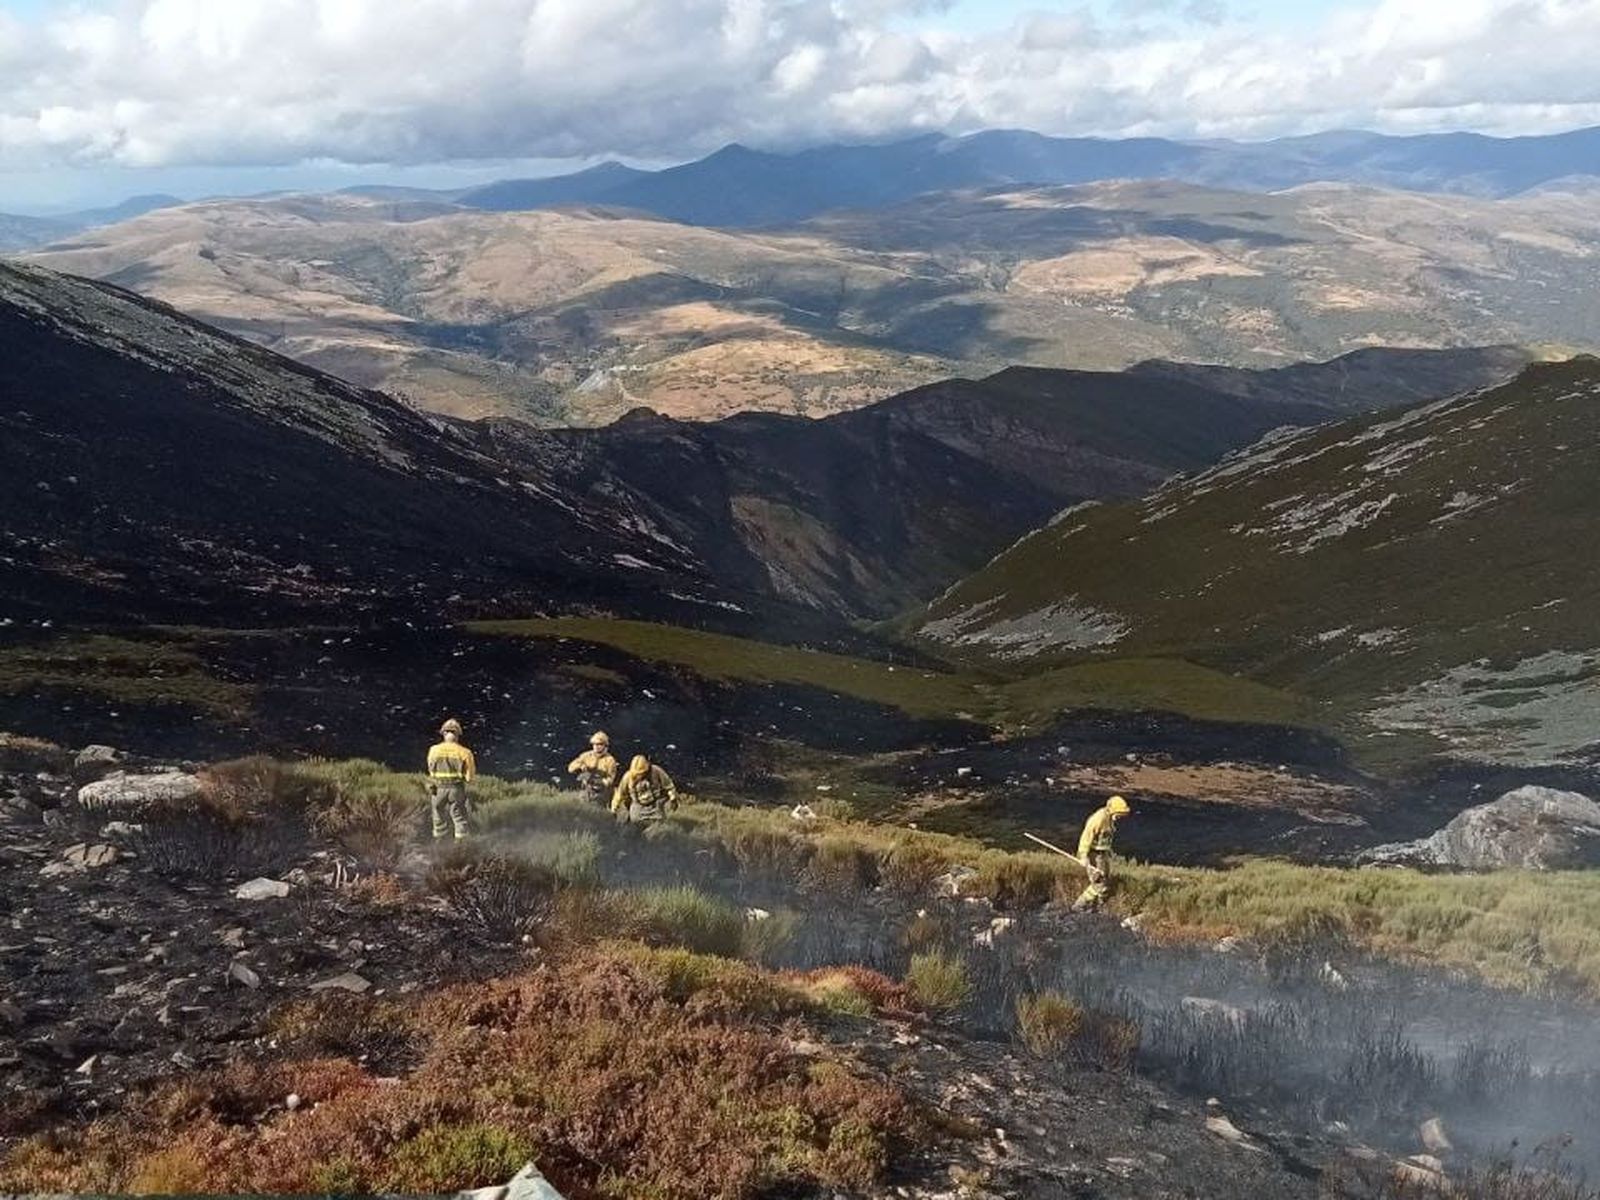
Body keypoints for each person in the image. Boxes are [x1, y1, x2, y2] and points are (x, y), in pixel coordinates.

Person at [1072, 794, 1131, 911]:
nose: (1120, 817)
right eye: (1119, 814)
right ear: (1112, 810)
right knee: (1099, 884)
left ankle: (1097, 906)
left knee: (1105, 879)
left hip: (1102, 854)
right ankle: (1079, 906)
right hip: (1094, 854)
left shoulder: (1110, 819)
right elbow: (1086, 837)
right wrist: (1083, 856)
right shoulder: (1098, 819)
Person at [426, 718, 477, 840]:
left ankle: (439, 842)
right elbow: (470, 777)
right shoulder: (465, 753)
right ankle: (460, 845)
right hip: (456, 788)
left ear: (444, 733)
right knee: (458, 816)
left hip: (438, 789)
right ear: (458, 735)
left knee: (438, 815)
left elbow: (430, 770)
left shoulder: (433, 750)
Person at [611, 754, 678, 824]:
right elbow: (619, 794)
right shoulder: (627, 777)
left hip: (656, 803)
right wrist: (614, 809)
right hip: (638, 804)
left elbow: (669, 786)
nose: (639, 776)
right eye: (637, 774)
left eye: (642, 773)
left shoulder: (656, 771)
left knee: (659, 821)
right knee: (635, 821)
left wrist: (673, 798)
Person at [567, 731, 620, 807]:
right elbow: (570, 768)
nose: (596, 746)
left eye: (599, 744)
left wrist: (598, 781)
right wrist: (580, 766)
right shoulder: (586, 756)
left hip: (601, 793)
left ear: (605, 745)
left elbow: (610, 779)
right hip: (586, 791)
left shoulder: (610, 760)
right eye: (594, 744)